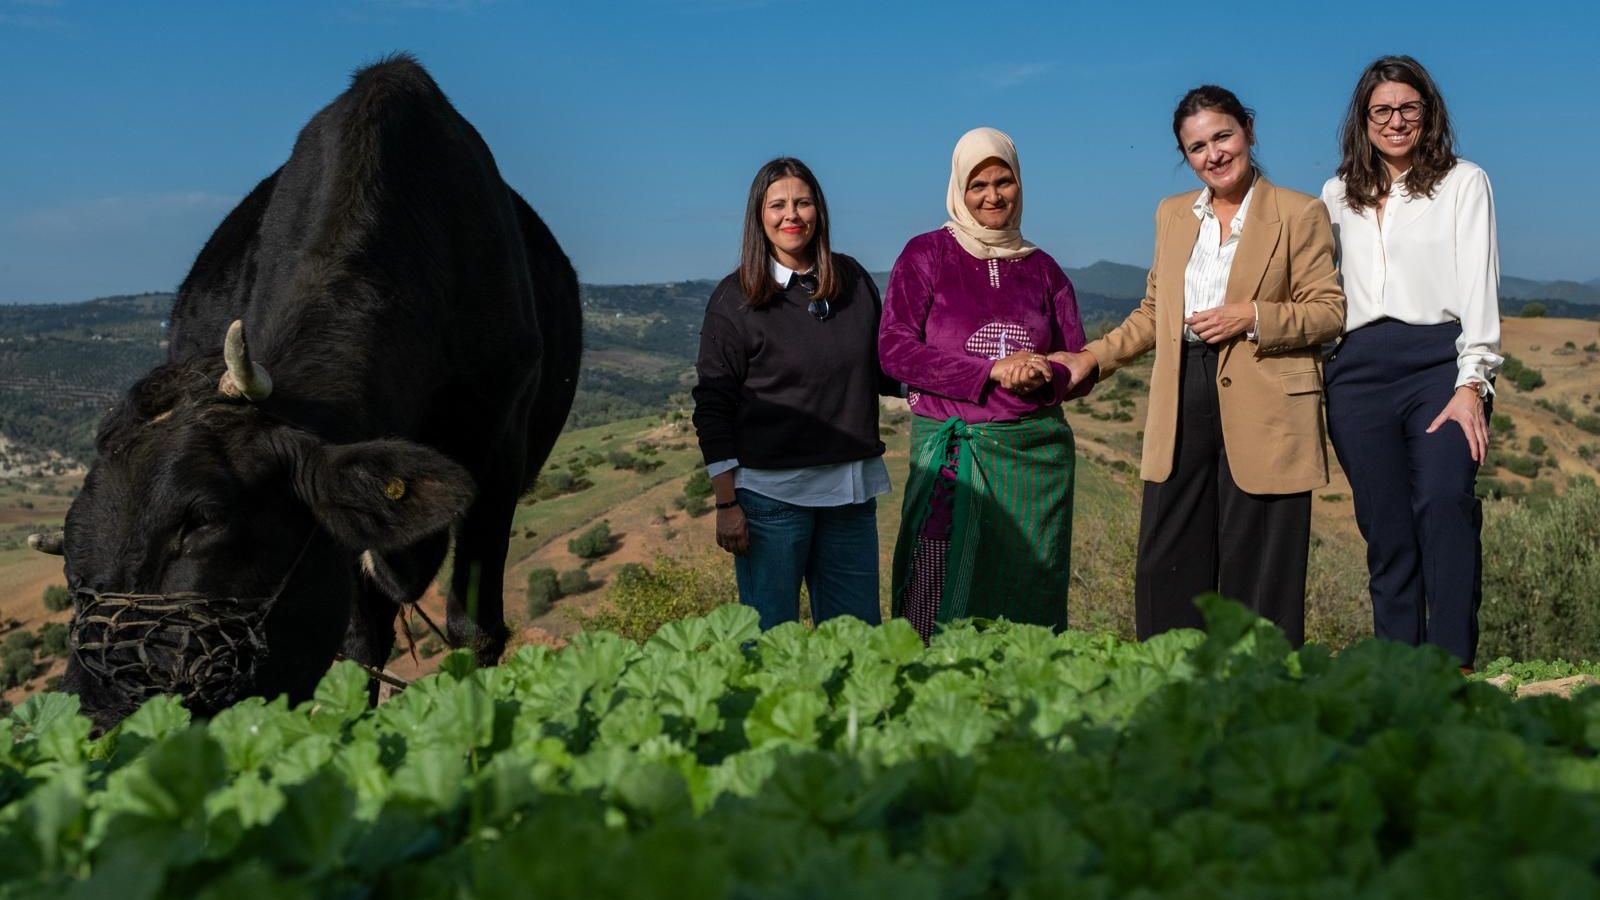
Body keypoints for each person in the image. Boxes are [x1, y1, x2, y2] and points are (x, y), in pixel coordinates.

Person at [1057, 87, 1345, 646]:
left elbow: (1329, 311)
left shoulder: (1300, 211)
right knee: (1166, 554)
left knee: (1259, 561)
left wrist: (1252, 316)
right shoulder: (1171, 214)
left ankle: (1259, 692)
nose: (1213, 154)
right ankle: (1172, 684)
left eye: (1222, 136)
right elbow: (1152, 311)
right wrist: (1094, 357)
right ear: (1185, 156)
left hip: (1266, 396)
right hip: (1182, 391)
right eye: (1196, 147)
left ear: (1249, 132)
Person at [1320, 56, 1500, 669]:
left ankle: (1453, 665)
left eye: (1408, 109)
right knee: (1386, 525)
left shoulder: (1464, 182)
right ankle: (1399, 669)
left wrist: (1474, 381)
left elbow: (1479, 284)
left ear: (1428, 113)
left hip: (1438, 364)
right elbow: (1325, 291)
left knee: (1446, 500)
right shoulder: (1335, 192)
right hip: (1357, 370)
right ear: (1364, 120)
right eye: (1382, 111)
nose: (1396, 121)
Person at [880, 126, 1090, 642]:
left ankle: (1020, 711)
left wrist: (1045, 374)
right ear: (958, 188)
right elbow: (894, 349)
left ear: (1020, 185)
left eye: (1004, 182)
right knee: (935, 580)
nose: (992, 196)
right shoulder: (926, 255)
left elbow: (1079, 363)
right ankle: (928, 700)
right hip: (955, 460)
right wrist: (990, 371)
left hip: (1032, 467)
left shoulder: (1044, 270)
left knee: (1027, 583)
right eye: (978, 186)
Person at [691, 157, 893, 631]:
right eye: (778, 204)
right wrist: (726, 504)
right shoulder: (734, 299)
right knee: (767, 645)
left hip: (849, 498)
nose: (792, 215)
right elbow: (713, 408)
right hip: (770, 503)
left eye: (802, 202)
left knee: (857, 645)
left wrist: (971, 379)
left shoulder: (853, 281)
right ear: (759, 217)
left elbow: (885, 369)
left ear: (818, 211)